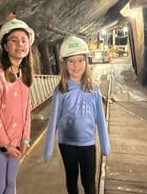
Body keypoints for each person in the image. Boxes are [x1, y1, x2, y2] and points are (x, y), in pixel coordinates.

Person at [44, 35, 111, 194]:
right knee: (71, 181)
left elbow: (100, 119)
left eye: (80, 60)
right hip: (67, 145)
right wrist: (48, 148)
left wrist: (105, 144)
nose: (76, 65)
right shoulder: (61, 90)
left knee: (89, 184)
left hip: (88, 144)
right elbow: (53, 121)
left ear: (86, 62)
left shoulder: (93, 89)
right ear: (64, 64)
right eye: (71, 61)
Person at [0, 18, 34, 194]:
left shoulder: (23, 75)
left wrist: (25, 139)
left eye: (24, 40)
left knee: (10, 185)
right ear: (5, 46)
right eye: (14, 40)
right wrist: (6, 145)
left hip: (16, 142)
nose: (20, 44)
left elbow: (27, 110)